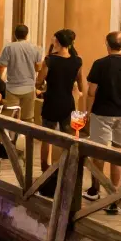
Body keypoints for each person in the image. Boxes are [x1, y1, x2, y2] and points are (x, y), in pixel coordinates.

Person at [85, 31, 121, 208]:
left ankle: (95, 190)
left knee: (99, 153)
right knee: (119, 153)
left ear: (107, 45)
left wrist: (87, 112)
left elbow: (91, 92)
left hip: (102, 112)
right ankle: (114, 195)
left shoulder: (100, 64)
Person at [37, 29, 85, 171]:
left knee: (47, 137)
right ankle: (66, 167)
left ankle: (45, 168)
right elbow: (81, 84)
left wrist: (42, 86)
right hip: (67, 103)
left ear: (57, 42)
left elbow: (38, 82)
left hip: (51, 101)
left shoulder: (50, 60)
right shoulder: (77, 61)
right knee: (68, 138)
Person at [0, 24, 43, 124]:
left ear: (15, 35)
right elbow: (38, 68)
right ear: (27, 35)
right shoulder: (35, 48)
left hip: (12, 88)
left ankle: (10, 139)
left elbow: (2, 66)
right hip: (29, 87)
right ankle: (27, 139)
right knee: (27, 119)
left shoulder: (9, 47)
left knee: (10, 118)